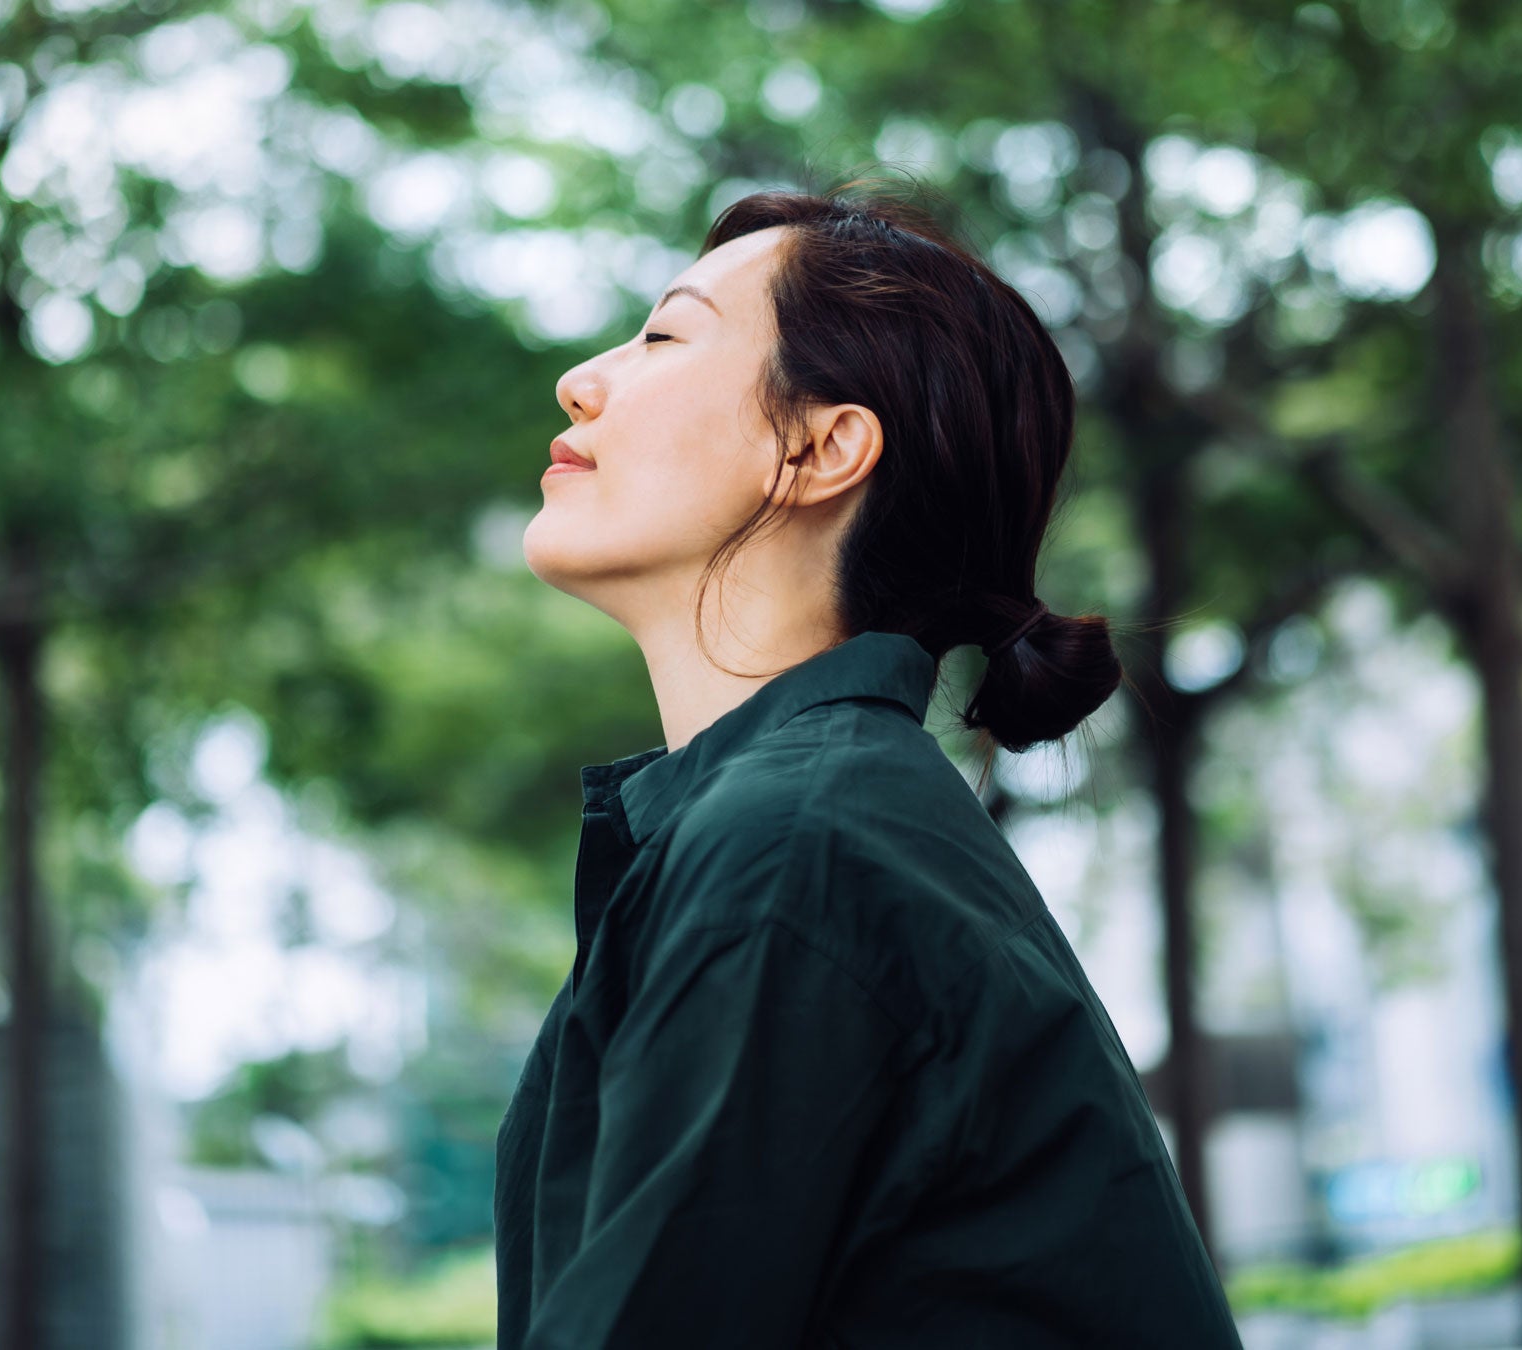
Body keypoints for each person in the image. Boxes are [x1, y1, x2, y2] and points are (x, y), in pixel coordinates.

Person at [497, 177, 1246, 1350]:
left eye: (663, 338)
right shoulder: (813, 823)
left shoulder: (796, 850)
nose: (582, 380)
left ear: (820, 448)